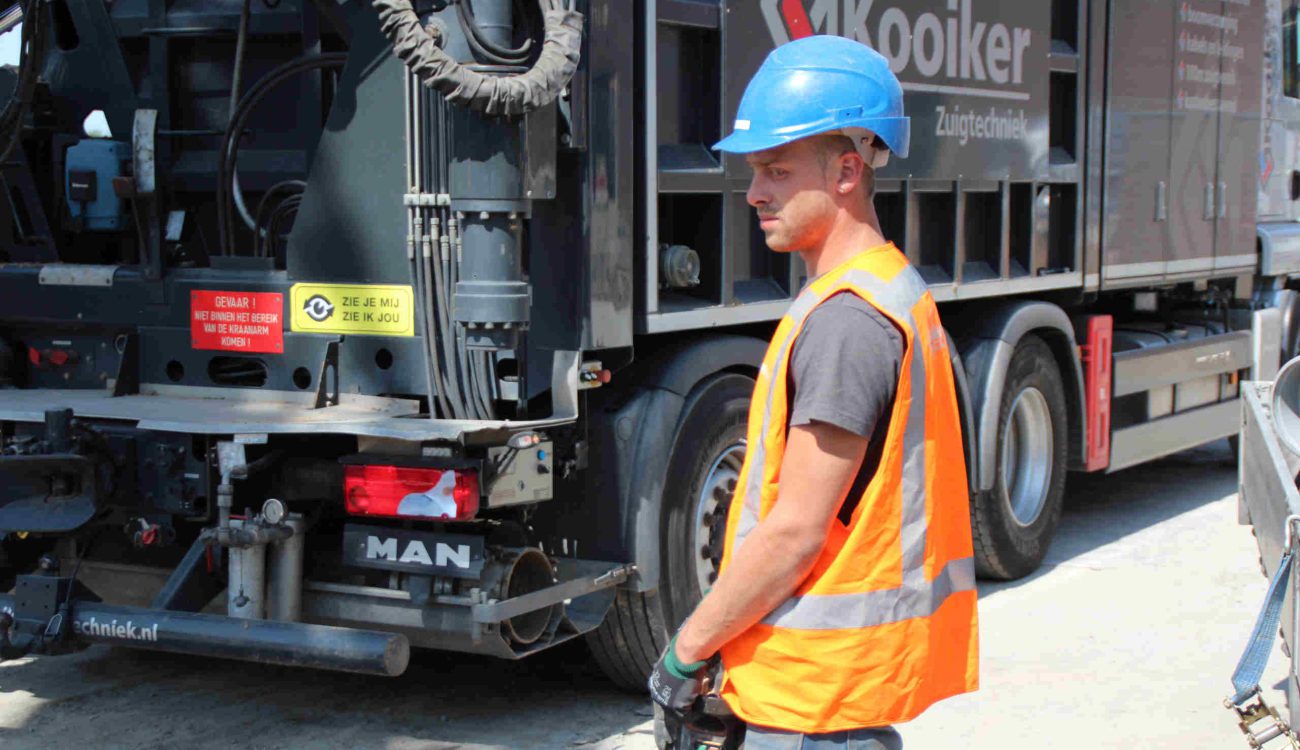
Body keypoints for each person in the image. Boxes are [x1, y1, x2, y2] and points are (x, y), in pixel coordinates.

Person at [647, 35, 979, 749]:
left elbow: (796, 531)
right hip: (826, 702)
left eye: (776, 169)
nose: (755, 191)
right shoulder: (886, 291)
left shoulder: (849, 324)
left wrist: (683, 653)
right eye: (753, 170)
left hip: (812, 710)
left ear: (847, 172)